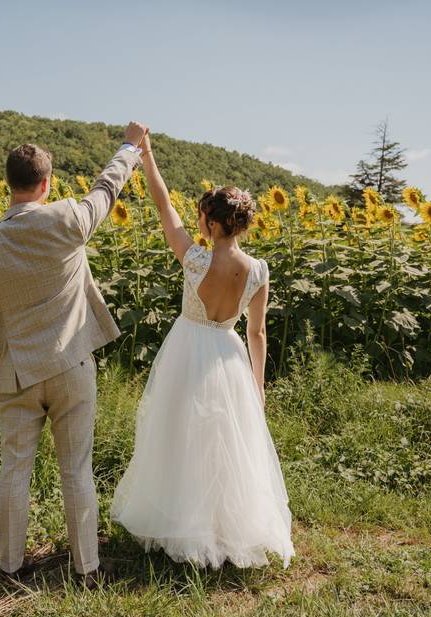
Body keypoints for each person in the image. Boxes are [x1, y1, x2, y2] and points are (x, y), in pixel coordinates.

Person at [0, 121, 149, 585]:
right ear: (47, 183)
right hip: (72, 365)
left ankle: (10, 568)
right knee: (76, 469)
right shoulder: (69, 219)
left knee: (14, 471)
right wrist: (128, 146)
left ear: (9, 184)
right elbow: (108, 187)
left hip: (17, 374)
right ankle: (86, 568)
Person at [110, 132, 295, 570]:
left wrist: (147, 153)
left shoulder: (195, 259)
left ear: (212, 224)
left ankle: (184, 522)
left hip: (187, 349)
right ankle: (223, 526)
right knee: (228, 445)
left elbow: (161, 205)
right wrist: (258, 385)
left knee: (179, 436)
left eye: (201, 220)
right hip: (229, 355)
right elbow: (258, 332)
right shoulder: (259, 271)